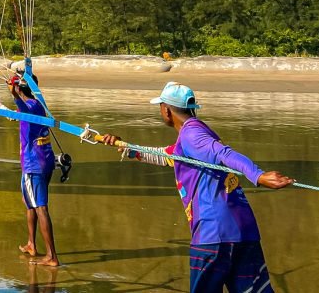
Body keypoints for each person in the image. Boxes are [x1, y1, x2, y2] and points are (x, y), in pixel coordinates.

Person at [101, 82, 294, 293]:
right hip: (244, 231)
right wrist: (125, 147)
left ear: (166, 110)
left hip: (213, 234)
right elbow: (166, 156)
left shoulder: (191, 135)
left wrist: (258, 175)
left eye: (161, 107)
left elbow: (225, 153)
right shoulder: (196, 134)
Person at [0, 71, 59, 267]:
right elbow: (10, 114)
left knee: (40, 207)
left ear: (20, 88)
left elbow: (19, 106)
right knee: (29, 202)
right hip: (44, 159)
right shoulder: (36, 105)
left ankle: (52, 256)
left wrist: (13, 94)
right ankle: (31, 244)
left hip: (33, 163)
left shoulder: (30, 106)